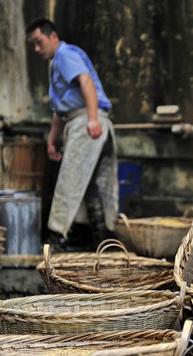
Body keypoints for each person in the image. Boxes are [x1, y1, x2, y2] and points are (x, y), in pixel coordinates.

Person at [25, 18, 118, 252]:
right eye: (33, 45)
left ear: (53, 37)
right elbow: (60, 110)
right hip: (83, 120)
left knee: (71, 179)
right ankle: (98, 237)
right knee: (90, 183)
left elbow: (85, 81)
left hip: (87, 121)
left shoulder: (65, 54)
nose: (36, 49)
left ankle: (57, 239)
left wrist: (93, 118)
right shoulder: (56, 62)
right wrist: (51, 140)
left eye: (39, 42)